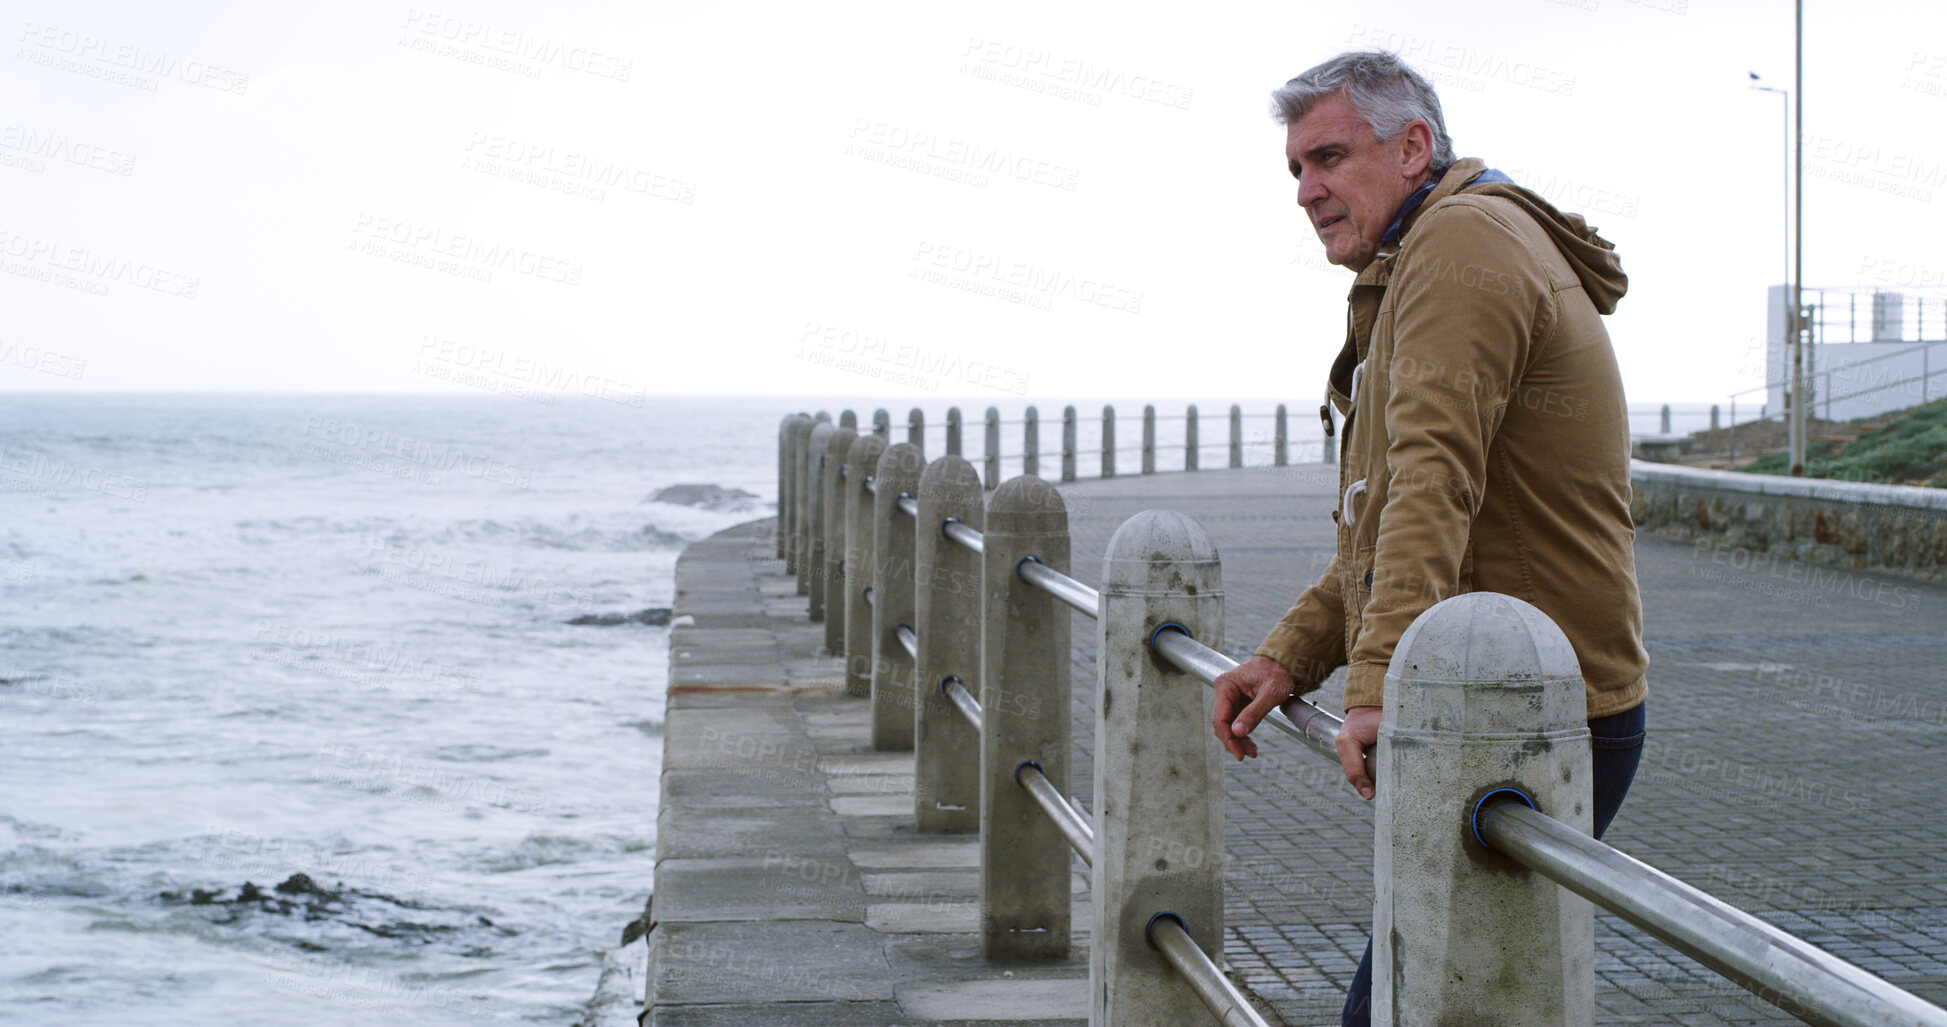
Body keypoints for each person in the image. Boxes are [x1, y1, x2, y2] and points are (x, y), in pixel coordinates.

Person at [1209, 51, 1650, 1027]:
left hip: (1529, 709)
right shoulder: (1428, 254)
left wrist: (1370, 690)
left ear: (1413, 145)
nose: (1307, 190)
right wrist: (1291, 655)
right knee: (1436, 1001)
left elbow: (1431, 486)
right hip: (1498, 691)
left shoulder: (1462, 249)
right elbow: (1386, 513)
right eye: (1294, 169)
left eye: (1327, 156)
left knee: (1412, 1006)